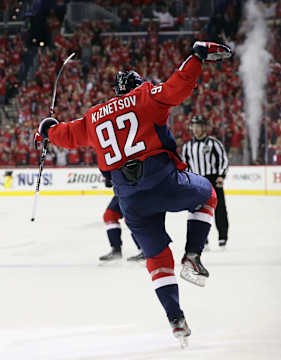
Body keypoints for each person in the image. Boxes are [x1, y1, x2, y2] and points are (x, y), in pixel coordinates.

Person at [35, 41, 232, 344]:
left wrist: (47, 129)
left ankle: (176, 320)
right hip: (163, 181)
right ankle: (193, 256)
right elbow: (176, 88)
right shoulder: (144, 96)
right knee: (207, 195)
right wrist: (196, 57)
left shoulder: (95, 115)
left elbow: (68, 135)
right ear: (138, 85)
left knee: (157, 259)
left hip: (131, 201)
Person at [181, 115, 230, 249]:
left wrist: (221, 176)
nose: (196, 129)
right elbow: (184, 165)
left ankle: (222, 237)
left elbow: (223, 160)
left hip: (213, 179)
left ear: (204, 127)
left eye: (199, 126)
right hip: (197, 181)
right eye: (194, 126)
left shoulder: (214, 143)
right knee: (197, 210)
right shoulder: (187, 146)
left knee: (219, 209)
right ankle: (203, 240)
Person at [100, 191, 145, 263]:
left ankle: (146, 250)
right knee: (110, 215)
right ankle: (116, 250)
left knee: (133, 217)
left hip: (137, 189)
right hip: (122, 189)